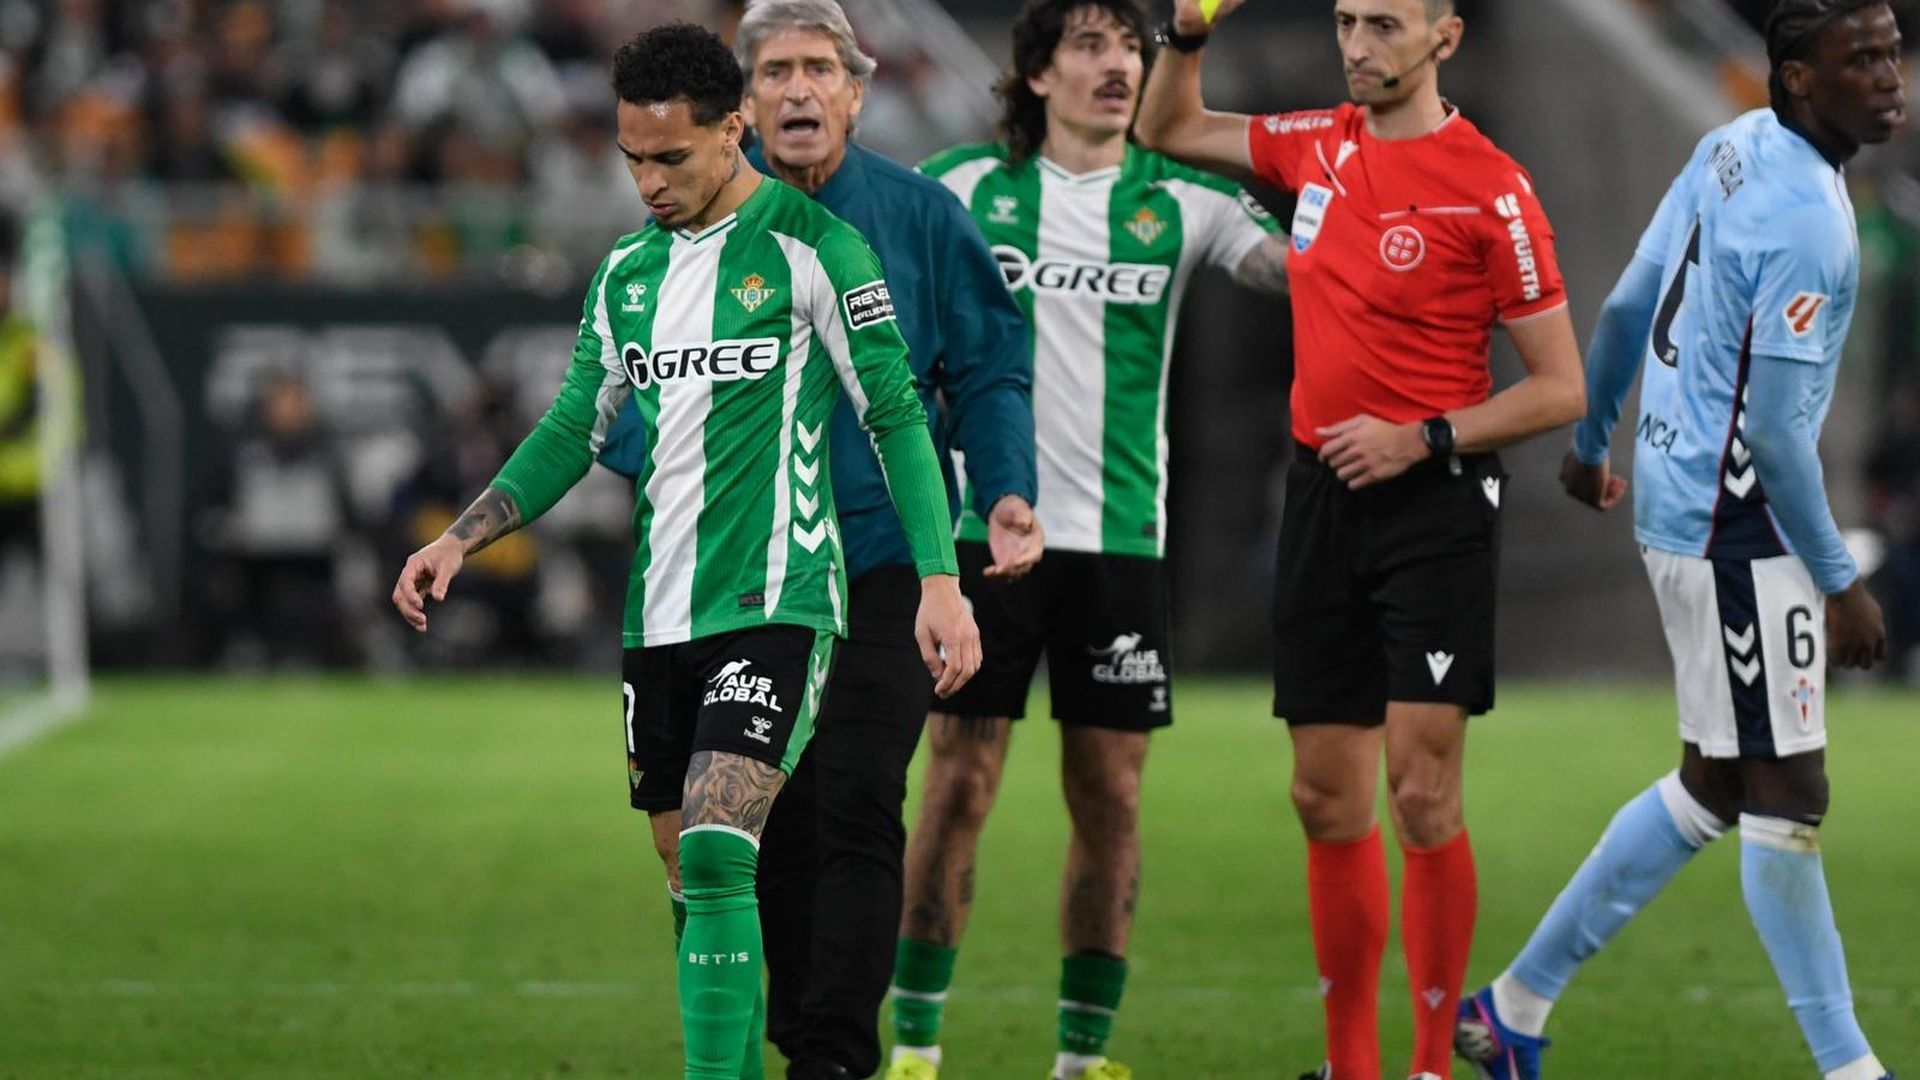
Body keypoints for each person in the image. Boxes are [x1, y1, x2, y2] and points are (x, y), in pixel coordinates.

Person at [389, 23, 982, 1080]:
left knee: (717, 844)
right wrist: (461, 535)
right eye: (632, 158)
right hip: (658, 619)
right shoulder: (624, 275)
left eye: (672, 157)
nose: (649, 181)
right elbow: (574, 426)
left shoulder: (817, 250)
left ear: (734, 129)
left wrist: (940, 580)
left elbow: (896, 414)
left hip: (782, 603)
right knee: (685, 867)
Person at [1134, 1, 1588, 1077]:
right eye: (1346, 19)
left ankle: (1432, 1063)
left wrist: (1421, 438)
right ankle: (1353, 1068)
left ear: (1446, 37)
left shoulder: (1493, 187)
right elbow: (1168, 129)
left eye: (1384, 23)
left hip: (1435, 501)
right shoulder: (1313, 143)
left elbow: (1559, 386)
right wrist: (1185, 31)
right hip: (1322, 496)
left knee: (1422, 791)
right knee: (1322, 795)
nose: (1356, 43)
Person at [1455, 3, 1901, 1079]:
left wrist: (1591, 434)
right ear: (1798, 78)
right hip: (1739, 528)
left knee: (1712, 782)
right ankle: (1851, 1070)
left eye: (1893, 52)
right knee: (1788, 795)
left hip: (1677, 494)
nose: (1893, 77)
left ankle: (1511, 1009)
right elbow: (1779, 443)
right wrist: (1840, 584)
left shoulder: (1732, 146)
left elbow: (1626, 309)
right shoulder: (1809, 218)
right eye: (1864, 59)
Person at [595, 3, 1041, 1077]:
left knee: (853, 793)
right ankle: (791, 1034)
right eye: (776, 70)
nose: (799, 89)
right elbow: (607, 406)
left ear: (858, 85)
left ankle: (833, 1054)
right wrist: (669, 464)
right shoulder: (670, 241)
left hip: (881, 557)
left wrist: (1009, 492)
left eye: (818, 69)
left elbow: (986, 368)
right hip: (744, 575)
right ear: (740, 106)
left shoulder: (920, 218)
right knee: (759, 821)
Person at [887, 3, 1290, 1078]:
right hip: (982, 537)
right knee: (958, 784)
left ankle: (1082, 1058)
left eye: (1132, 49)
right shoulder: (958, 191)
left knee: (1109, 794)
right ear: (1034, 75)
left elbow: (1300, 275)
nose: (1119, 67)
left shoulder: (1184, 200)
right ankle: (916, 1047)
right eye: (1093, 48)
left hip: (1121, 544)